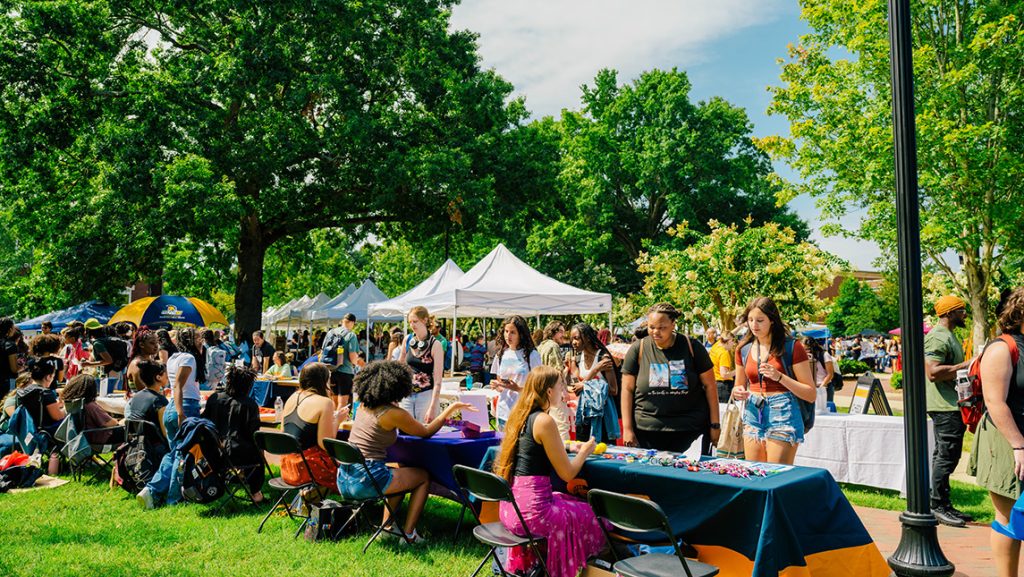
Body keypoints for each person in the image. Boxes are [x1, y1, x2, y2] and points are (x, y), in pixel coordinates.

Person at [339, 361, 474, 543]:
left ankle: (387, 527)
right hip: (366, 480)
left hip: (345, 477)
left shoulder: (364, 405)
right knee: (423, 477)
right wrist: (450, 409)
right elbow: (425, 432)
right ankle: (409, 534)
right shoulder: (393, 413)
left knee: (401, 467)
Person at [492, 365, 606, 577]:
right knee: (595, 515)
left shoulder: (521, 415)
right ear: (549, 391)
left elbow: (536, 446)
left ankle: (541, 565)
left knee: (569, 500)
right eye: (561, 386)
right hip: (533, 514)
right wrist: (586, 451)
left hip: (511, 509)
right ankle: (579, 569)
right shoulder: (545, 420)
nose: (564, 391)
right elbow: (568, 474)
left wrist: (571, 446)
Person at [970, 287, 1024, 576]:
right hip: (1007, 440)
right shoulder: (1002, 348)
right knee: (1009, 516)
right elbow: (994, 401)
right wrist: (1019, 446)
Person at [620, 303, 718, 453]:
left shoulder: (693, 347)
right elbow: (627, 389)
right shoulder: (638, 349)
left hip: (691, 431)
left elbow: (710, 386)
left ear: (673, 324)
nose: (655, 332)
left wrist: (715, 424)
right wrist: (627, 429)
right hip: (647, 431)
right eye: (651, 327)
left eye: (662, 327)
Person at [731, 297, 817, 465]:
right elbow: (738, 385)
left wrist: (779, 377)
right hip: (753, 409)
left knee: (776, 474)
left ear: (772, 320)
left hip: (783, 409)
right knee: (755, 472)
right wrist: (737, 392)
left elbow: (810, 393)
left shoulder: (792, 347)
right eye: (750, 320)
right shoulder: (743, 348)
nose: (754, 325)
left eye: (760, 320)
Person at [925, 294, 974, 527]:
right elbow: (933, 372)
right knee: (946, 457)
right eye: (960, 310)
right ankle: (937, 506)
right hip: (944, 406)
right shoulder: (937, 337)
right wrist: (968, 364)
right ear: (948, 313)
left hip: (950, 404)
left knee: (945, 456)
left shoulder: (949, 336)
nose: (964, 314)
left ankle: (943, 503)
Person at [200, 365, 265, 502]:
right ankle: (256, 493)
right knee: (258, 454)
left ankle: (236, 476)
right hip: (238, 452)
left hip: (214, 452)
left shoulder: (214, 398)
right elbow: (254, 434)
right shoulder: (249, 404)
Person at [280, 363, 347, 493]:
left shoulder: (292, 397)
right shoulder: (325, 402)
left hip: (287, 467)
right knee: (351, 472)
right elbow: (325, 444)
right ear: (323, 380)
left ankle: (312, 495)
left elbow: (284, 432)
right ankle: (313, 493)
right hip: (308, 468)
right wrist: (337, 421)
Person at [567, 323, 619, 443]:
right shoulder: (578, 358)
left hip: (602, 417)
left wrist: (585, 384)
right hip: (584, 415)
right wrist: (594, 370)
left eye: (576, 338)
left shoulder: (603, 358)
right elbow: (577, 387)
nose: (573, 342)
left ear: (588, 338)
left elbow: (613, 390)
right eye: (572, 339)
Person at [489, 315, 542, 431]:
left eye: (513, 332)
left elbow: (539, 387)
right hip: (503, 413)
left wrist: (517, 388)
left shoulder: (532, 355)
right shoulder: (501, 355)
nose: (508, 335)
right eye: (506, 331)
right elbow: (500, 383)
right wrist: (497, 385)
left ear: (521, 334)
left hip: (524, 413)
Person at [16, 359, 66, 474]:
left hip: (27, 429)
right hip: (47, 431)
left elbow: (37, 408)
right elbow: (57, 417)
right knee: (75, 418)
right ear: (48, 377)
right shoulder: (45, 393)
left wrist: (56, 405)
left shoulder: (22, 392)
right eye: (53, 376)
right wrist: (66, 410)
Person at [398, 307, 445, 422]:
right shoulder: (407, 340)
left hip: (426, 396)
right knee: (405, 434)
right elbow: (398, 369)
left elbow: (438, 380)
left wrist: (432, 407)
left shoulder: (436, 345)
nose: (412, 325)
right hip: (407, 395)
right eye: (410, 322)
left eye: (415, 321)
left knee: (424, 433)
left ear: (424, 320)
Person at [59, 374, 123, 445]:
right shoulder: (90, 406)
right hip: (99, 438)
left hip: (82, 438)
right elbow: (110, 423)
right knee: (128, 424)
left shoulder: (72, 404)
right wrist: (121, 420)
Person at [321, 313, 364, 410]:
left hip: (330, 370)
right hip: (345, 372)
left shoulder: (330, 332)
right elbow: (353, 357)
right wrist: (358, 363)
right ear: (353, 322)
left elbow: (322, 351)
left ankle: (332, 424)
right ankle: (339, 424)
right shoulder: (351, 335)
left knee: (333, 401)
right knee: (343, 403)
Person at [803, 337, 835, 413]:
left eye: (807, 349)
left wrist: (821, 387)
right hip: (811, 387)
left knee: (825, 410)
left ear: (812, 347)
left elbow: (830, 374)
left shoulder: (824, 354)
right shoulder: (804, 356)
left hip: (824, 387)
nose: (805, 351)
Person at [127, 327, 159, 392]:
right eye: (152, 343)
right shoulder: (137, 364)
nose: (156, 346)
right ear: (141, 344)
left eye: (157, 342)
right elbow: (143, 392)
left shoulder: (149, 360)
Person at [709, 330, 737, 403]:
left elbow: (727, 335)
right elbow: (724, 374)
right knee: (725, 413)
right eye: (733, 341)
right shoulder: (724, 353)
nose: (734, 344)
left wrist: (741, 326)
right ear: (728, 341)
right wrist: (739, 370)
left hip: (715, 384)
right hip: (723, 387)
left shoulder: (716, 347)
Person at [0, 317, 20, 398]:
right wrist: (22, 368)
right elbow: (14, 369)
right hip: (7, 381)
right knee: (7, 403)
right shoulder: (10, 344)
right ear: (10, 329)